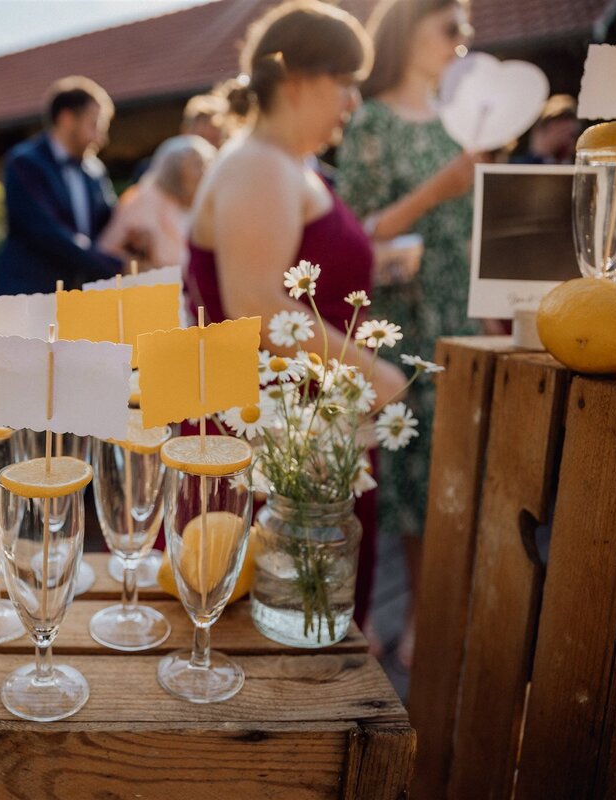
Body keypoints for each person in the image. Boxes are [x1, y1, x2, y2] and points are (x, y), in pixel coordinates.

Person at [185, 0, 408, 630]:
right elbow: (256, 306)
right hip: (275, 447)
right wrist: (377, 376)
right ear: (296, 79)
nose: (352, 103)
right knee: (282, 628)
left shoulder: (284, 164)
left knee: (307, 621)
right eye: (345, 83)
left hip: (304, 434)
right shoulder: (257, 164)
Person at [337, 0, 478, 667]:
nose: (461, 39)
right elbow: (356, 236)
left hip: (465, 312)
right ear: (409, 30)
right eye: (449, 25)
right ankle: (419, 611)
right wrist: (437, 190)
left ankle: (449, 610)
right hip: (406, 319)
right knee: (417, 479)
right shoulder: (372, 122)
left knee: (461, 471)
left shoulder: (464, 120)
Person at [0, 77, 122, 294]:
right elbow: (47, 233)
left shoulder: (95, 170)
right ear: (67, 119)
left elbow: (108, 222)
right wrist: (115, 265)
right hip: (28, 297)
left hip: (78, 300)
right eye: (95, 125)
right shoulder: (24, 163)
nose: (101, 139)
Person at [99, 135, 215, 269]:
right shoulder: (144, 200)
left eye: (207, 164)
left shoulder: (197, 206)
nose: (205, 172)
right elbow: (108, 251)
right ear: (176, 168)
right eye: (198, 164)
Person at [511, 95, 580, 165]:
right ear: (538, 131)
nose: (566, 139)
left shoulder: (578, 166)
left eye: (572, 135)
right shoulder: (517, 166)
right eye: (560, 132)